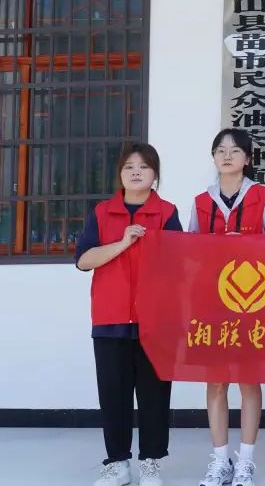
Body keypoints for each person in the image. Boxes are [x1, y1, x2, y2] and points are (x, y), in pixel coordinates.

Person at [76, 143, 182, 486]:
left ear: (155, 174)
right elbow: (84, 260)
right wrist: (123, 243)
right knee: (113, 395)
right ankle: (117, 463)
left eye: (144, 166)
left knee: (155, 395)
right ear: (120, 174)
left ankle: (151, 463)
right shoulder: (102, 213)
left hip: (155, 320)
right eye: (129, 166)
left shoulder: (167, 212)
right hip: (110, 319)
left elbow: (181, 263)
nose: (136, 172)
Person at [188, 128, 265, 486]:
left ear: (248, 158)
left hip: (253, 302)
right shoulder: (201, 201)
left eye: (235, 150)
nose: (227, 156)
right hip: (211, 303)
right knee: (215, 381)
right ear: (213, 157)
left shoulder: (262, 196)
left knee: (248, 380)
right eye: (220, 150)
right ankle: (219, 460)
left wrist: (246, 247)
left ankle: (246, 462)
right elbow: (189, 252)